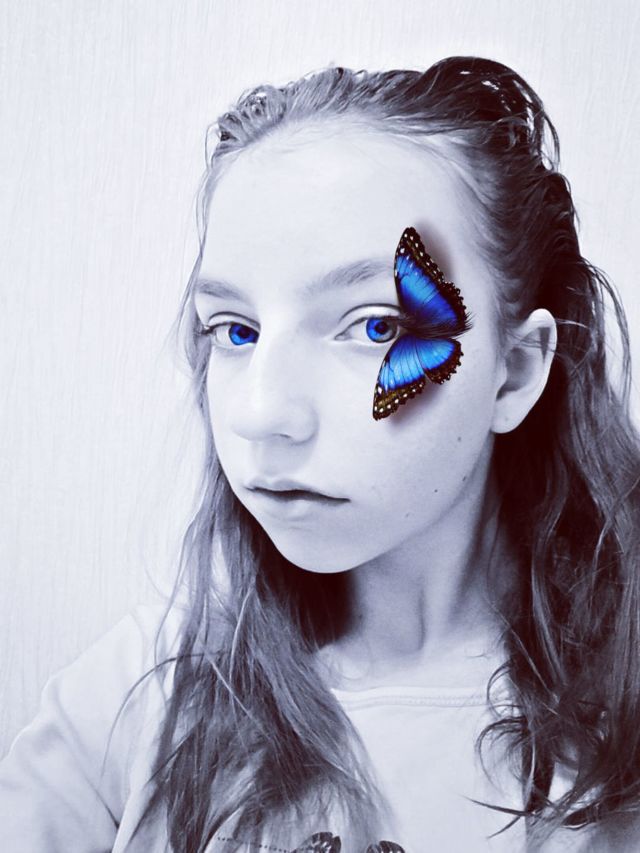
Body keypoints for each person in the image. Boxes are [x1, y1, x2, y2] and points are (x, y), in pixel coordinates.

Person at [1, 55, 639, 853]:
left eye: (375, 325)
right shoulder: (129, 702)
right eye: (235, 330)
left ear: (513, 371)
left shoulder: (619, 733)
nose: (262, 413)